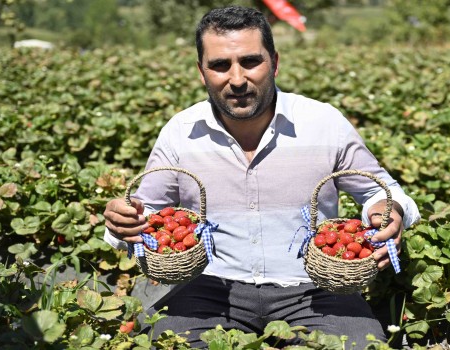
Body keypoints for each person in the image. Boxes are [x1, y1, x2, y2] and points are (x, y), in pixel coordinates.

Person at [103, 5, 421, 348]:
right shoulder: (181, 132)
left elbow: (383, 192)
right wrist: (125, 221)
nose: (237, 79)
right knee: (164, 343)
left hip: (315, 288)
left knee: (360, 345)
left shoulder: (323, 123)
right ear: (201, 72)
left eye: (251, 62)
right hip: (210, 289)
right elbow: (146, 211)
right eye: (220, 66)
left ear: (275, 62)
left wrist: (389, 212)